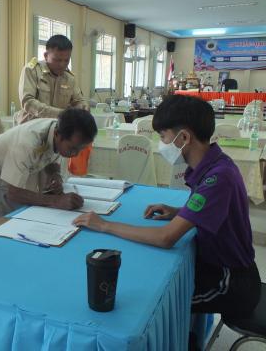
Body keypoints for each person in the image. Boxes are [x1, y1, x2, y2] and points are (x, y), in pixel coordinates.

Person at [73, 95, 261, 332]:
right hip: (221, 268)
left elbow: (165, 238)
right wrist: (178, 212)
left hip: (230, 282)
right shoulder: (214, 165)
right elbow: (212, 209)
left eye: (163, 137)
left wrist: (104, 225)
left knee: (155, 305)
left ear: (183, 138)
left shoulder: (217, 177)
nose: (161, 144)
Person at [0, 108, 97, 225]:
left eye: (80, 149)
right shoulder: (28, 142)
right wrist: (56, 200)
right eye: (72, 148)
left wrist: (55, 175)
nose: (75, 154)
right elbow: (14, 193)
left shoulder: (61, 131)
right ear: (57, 135)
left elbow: (51, 158)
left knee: (13, 222)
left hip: (14, 173)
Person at [17, 34, 88, 124]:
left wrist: (83, 107)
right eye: (57, 60)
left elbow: (79, 100)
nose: (62, 65)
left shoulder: (70, 78)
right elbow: (28, 102)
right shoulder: (32, 71)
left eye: (66, 60)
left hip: (57, 130)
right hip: (31, 128)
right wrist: (62, 114)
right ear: (46, 55)